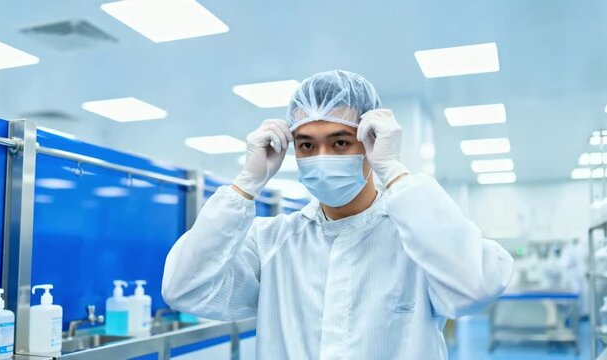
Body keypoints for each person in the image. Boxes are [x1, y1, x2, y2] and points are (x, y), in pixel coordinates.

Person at [162, 70, 514, 359]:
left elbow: (477, 286)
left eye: (340, 142)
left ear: (370, 143)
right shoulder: (271, 242)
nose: (322, 156)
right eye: (307, 145)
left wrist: (393, 170)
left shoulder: (416, 237)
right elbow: (183, 289)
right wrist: (245, 185)